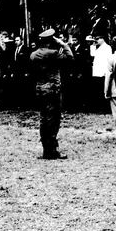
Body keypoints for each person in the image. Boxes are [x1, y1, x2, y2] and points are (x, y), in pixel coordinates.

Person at [28, 28, 73, 159]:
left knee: (43, 119)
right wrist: (63, 44)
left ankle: (46, 149)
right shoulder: (54, 53)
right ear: (51, 40)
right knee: (54, 119)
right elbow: (70, 58)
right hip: (53, 89)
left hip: (40, 88)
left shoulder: (34, 54)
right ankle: (51, 150)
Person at [89, 33, 112, 111]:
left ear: (103, 39)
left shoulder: (107, 48)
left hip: (103, 72)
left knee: (103, 90)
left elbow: (108, 60)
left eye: (98, 39)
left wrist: (106, 71)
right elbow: (92, 55)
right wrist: (93, 46)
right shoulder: (98, 48)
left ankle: (103, 108)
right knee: (97, 90)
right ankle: (98, 107)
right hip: (97, 72)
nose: (96, 40)